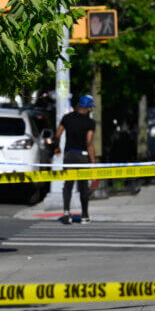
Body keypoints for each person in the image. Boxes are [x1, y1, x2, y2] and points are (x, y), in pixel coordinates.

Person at [54, 95, 96, 225]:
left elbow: (58, 134)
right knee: (83, 186)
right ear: (88, 108)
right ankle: (84, 215)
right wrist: (93, 160)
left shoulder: (67, 118)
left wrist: (57, 148)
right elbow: (89, 142)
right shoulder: (90, 122)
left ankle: (66, 212)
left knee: (68, 184)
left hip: (69, 156)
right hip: (82, 157)